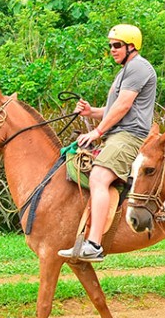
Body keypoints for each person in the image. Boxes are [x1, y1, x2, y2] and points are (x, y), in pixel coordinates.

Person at [57, 24, 157, 262]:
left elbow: (123, 107)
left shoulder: (139, 67)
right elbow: (114, 108)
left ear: (131, 46)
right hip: (117, 134)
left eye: (117, 45)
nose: (112, 49)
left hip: (130, 136)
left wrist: (97, 132)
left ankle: (94, 244)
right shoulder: (124, 71)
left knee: (99, 177)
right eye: (110, 45)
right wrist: (91, 112)